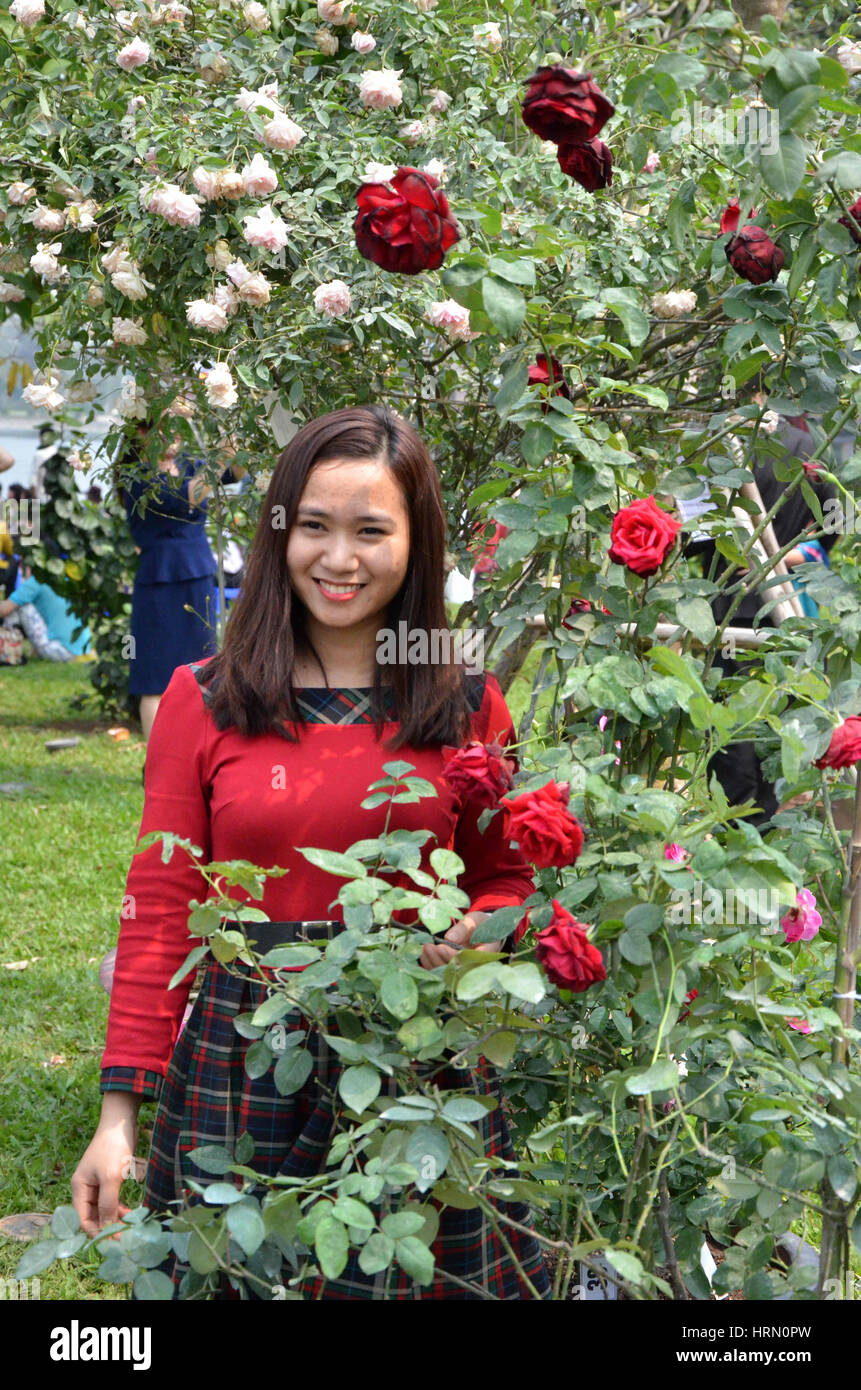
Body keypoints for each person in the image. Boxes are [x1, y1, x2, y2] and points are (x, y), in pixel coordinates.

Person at [71, 404, 551, 1301]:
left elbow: (504, 882)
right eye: (314, 527)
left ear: (417, 541)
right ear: (277, 531)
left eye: (372, 530)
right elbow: (159, 912)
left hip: (415, 1072)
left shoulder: (467, 706)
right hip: (237, 1066)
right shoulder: (204, 699)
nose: (339, 559)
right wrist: (117, 1121)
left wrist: (481, 935)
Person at [114, 424, 246, 743]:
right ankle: (156, 762)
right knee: (154, 673)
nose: (170, 438)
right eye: (158, 431)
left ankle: (196, 755)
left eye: (174, 431)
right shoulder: (135, 476)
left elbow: (236, 474)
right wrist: (220, 459)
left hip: (197, 572)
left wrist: (237, 440)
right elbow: (188, 496)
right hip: (159, 576)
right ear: (139, 436)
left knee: (202, 668)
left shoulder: (190, 464)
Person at [0, 561, 91, 660]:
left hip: (62, 652)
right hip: (84, 650)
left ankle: (8, 649)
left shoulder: (36, 581)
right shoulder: (64, 578)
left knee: (22, 606)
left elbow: (4, 610)